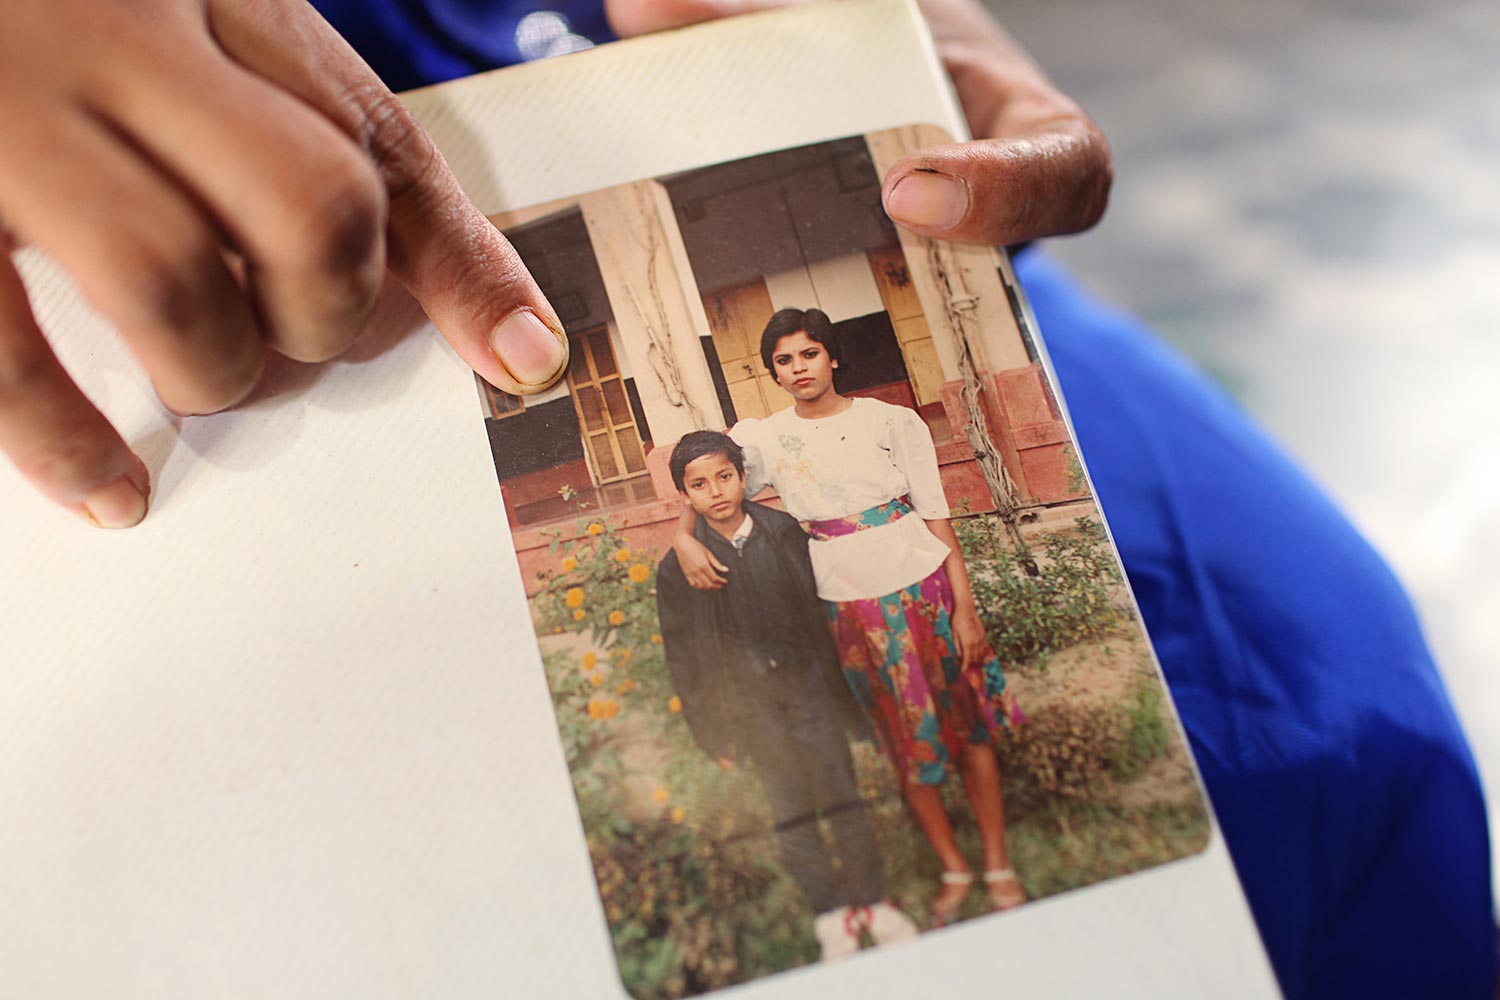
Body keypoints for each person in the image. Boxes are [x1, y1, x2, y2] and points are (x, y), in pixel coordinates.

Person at [2, 0, 1490, 995]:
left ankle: (973, 866)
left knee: (1320, 711)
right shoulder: (722, 520)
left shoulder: (847, 449)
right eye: (762, 369)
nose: (774, 388)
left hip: (588, 65)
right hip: (96, 174)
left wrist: (865, 45)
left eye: (795, 354)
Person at [674, 308, 1027, 924]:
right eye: (784, 360)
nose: (798, 368)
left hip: (924, 588)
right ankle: (953, 868)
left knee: (967, 726)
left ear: (831, 357)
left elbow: (938, 515)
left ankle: (997, 862)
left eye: (808, 354)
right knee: (901, 738)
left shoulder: (892, 421)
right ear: (774, 373)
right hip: (847, 605)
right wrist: (683, 536)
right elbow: (703, 469)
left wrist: (964, 609)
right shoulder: (766, 438)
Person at [656, 430, 920, 959]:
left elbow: (822, 615)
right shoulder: (678, 567)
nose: (716, 492)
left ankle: (872, 901)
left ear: (743, 477)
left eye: (725, 477)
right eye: (700, 485)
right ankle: (829, 913)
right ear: (685, 496)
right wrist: (712, 730)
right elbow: (683, 659)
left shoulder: (783, 534)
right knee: (790, 805)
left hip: (807, 689)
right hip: (751, 708)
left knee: (840, 790)